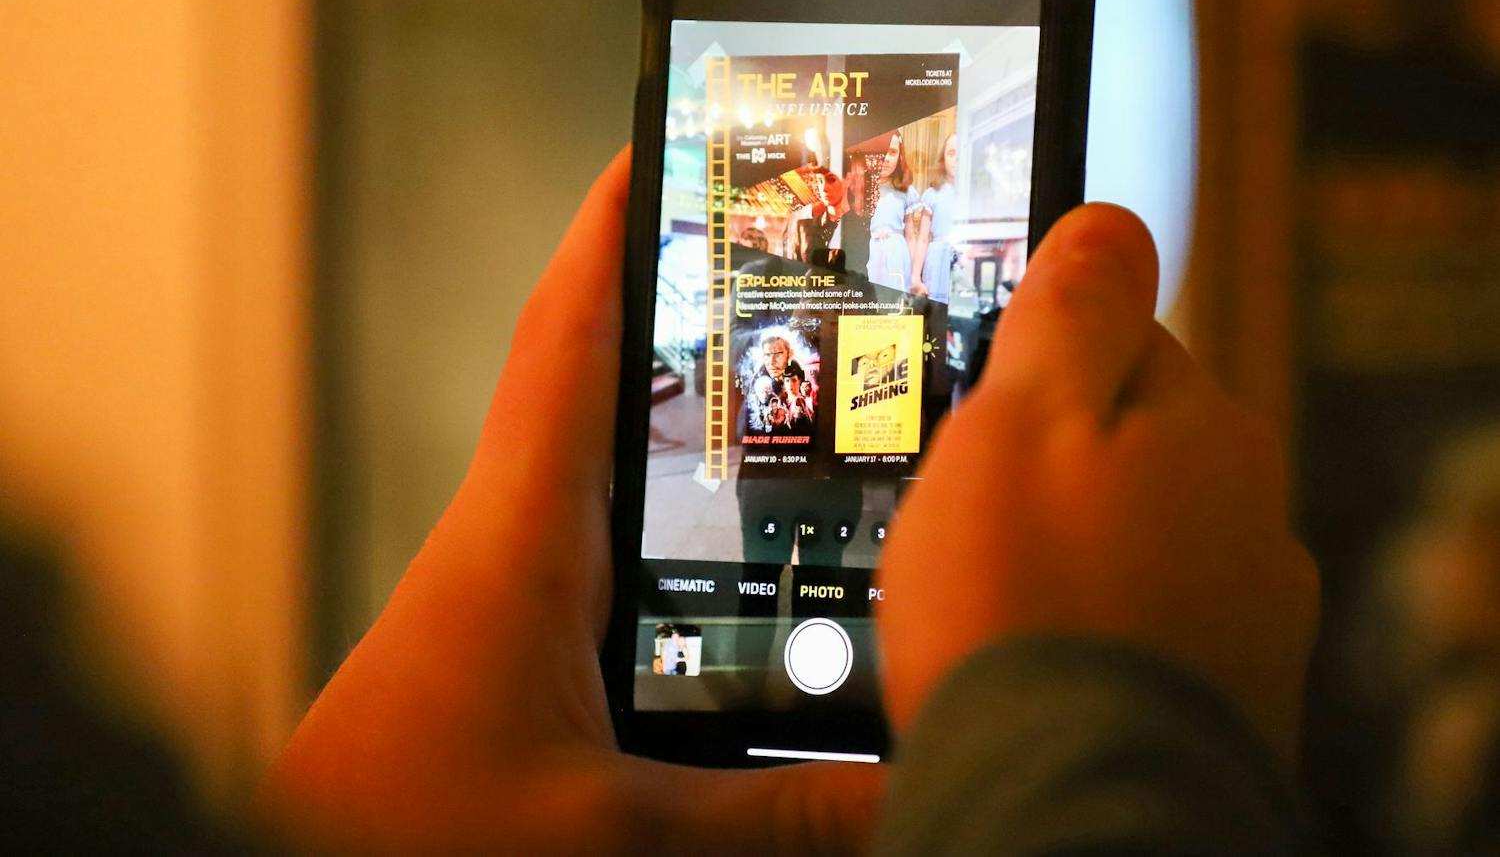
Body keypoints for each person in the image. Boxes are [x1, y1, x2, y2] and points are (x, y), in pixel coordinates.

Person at [258, 150, 1319, 854]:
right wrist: (1082, 744)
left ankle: (770, 673)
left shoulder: (822, 300)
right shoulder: (815, 304)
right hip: (800, 482)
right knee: (807, 573)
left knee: (801, 573)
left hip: (801, 480)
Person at [865, 133, 919, 293]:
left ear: (900, 156)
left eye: (892, 152)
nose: (886, 158)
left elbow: (911, 237)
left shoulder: (905, 191)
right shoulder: (863, 189)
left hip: (896, 253)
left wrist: (914, 275)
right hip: (870, 251)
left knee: (895, 298)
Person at [910, 132, 958, 301]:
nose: (957, 159)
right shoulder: (933, 194)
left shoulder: (976, 193)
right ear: (943, 159)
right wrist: (915, 277)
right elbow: (923, 239)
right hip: (938, 262)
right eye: (951, 153)